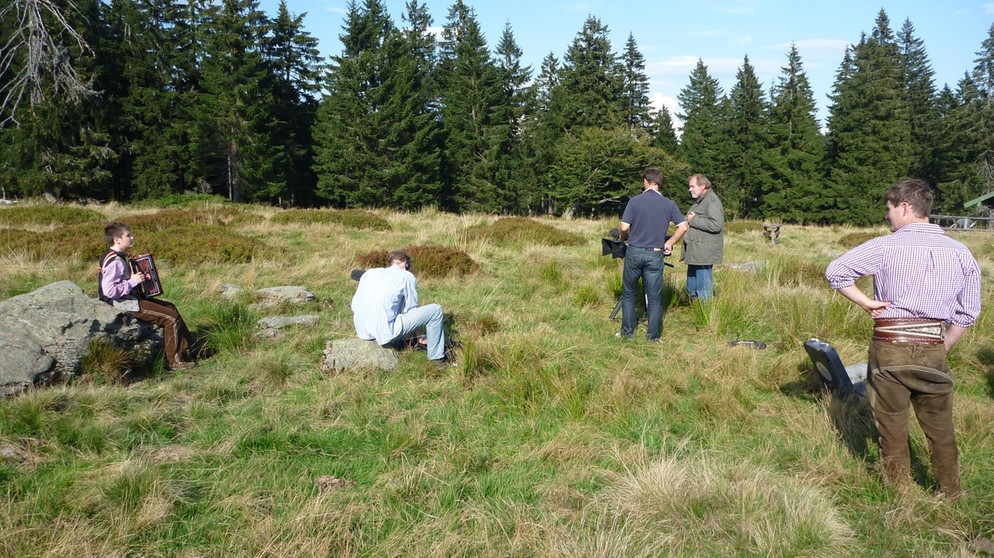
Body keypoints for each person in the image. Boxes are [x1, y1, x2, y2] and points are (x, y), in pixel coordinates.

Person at [825, 179, 981, 497]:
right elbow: (968, 313)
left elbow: (836, 271)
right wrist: (943, 344)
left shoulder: (884, 246)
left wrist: (867, 303)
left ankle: (899, 493)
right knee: (940, 425)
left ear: (905, 207)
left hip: (889, 347)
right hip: (933, 347)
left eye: (889, 209)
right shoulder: (961, 253)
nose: (888, 216)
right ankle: (951, 491)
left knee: (891, 423)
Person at [98, 221, 196, 370]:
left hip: (129, 298)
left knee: (171, 307)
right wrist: (132, 282)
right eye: (128, 235)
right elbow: (109, 291)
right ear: (117, 239)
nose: (132, 237)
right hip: (122, 303)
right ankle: (175, 362)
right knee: (171, 318)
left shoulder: (116, 256)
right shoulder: (115, 261)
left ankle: (191, 350)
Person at [617, 168, 689, 342]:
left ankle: (627, 333)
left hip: (634, 251)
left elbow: (624, 227)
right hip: (655, 254)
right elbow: (684, 226)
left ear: (645, 182)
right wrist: (669, 243)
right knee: (655, 297)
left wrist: (623, 239)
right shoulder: (669, 204)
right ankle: (653, 337)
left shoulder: (634, 201)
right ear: (660, 183)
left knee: (629, 294)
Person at [351, 249, 449, 368]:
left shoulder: (370, 273)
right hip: (385, 333)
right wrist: (419, 337)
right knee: (435, 310)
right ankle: (436, 359)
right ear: (406, 264)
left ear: (391, 262)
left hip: (362, 331)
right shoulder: (407, 276)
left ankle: (397, 339)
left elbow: (355, 306)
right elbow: (411, 309)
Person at [682, 173, 724, 300]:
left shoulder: (712, 201)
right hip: (695, 252)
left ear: (703, 186)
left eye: (692, 186)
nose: (690, 189)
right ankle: (696, 312)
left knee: (704, 291)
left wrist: (694, 220)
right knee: (692, 289)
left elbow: (716, 225)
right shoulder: (700, 201)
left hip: (703, 254)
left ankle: (706, 317)